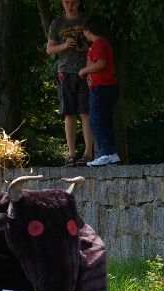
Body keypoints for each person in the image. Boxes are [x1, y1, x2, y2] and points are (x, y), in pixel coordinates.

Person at [46, 0, 93, 167]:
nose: (69, 5)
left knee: (86, 113)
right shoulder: (57, 23)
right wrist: (65, 45)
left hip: (86, 71)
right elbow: (49, 49)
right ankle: (71, 154)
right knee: (69, 113)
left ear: (78, 2)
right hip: (65, 72)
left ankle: (88, 153)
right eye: (66, 2)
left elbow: (97, 44)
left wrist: (84, 48)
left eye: (72, 2)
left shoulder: (86, 20)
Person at [79, 15, 120, 167]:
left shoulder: (99, 43)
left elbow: (101, 63)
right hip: (102, 87)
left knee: (98, 121)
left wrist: (84, 71)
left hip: (101, 87)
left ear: (88, 30)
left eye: (84, 30)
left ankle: (105, 153)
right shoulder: (97, 44)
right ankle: (110, 153)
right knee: (103, 120)